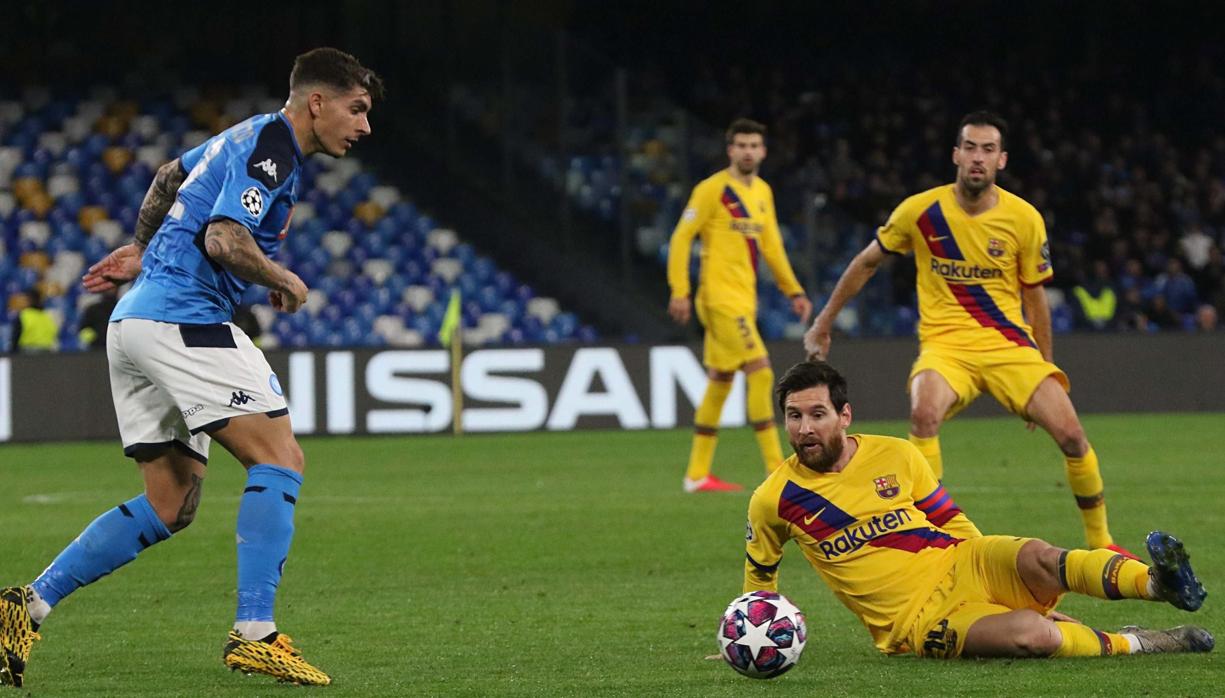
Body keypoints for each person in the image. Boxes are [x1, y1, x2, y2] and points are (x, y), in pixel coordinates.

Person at [0, 47, 382, 688]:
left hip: (134, 323)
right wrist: (282, 276)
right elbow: (224, 239)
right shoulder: (275, 146)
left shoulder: (242, 136)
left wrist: (143, 249)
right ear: (318, 101)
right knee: (280, 458)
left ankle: (23, 608)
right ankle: (255, 634)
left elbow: (165, 176)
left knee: (170, 501)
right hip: (185, 319)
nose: (365, 125)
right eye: (357, 108)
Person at [803, 111, 1130, 556]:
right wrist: (824, 323)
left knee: (1072, 437)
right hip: (946, 347)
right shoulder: (920, 210)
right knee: (923, 413)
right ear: (956, 154)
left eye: (988, 149)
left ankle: (1102, 542)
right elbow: (866, 262)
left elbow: (1035, 300)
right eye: (970, 147)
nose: (978, 157)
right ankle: (933, 540)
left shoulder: (1024, 218)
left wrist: (1045, 366)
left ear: (1002, 160)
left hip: (1009, 347)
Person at [739, 360, 1211, 659]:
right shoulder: (774, 499)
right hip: (917, 620)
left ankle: (1156, 583)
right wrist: (748, 636)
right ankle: (1144, 641)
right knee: (1034, 635)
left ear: (844, 416)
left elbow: (947, 518)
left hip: (964, 558)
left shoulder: (896, 454)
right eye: (794, 416)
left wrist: (992, 567)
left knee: (1041, 558)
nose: (804, 428)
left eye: (816, 414)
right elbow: (760, 575)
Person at [667, 118, 813, 493]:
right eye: (741, 145)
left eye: (754, 145)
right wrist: (679, 289)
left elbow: (772, 248)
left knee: (720, 382)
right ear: (730, 150)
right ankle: (776, 468)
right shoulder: (711, 190)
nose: (748, 151)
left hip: (743, 301)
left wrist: (793, 291)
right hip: (718, 299)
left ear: (763, 151)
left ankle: (697, 474)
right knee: (761, 372)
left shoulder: (762, 192)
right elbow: (682, 238)